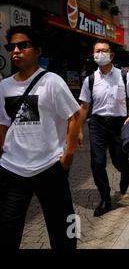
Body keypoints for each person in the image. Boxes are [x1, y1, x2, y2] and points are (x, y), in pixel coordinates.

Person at [0, 25, 80, 249]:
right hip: (12, 169)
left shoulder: (52, 81)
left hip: (49, 166)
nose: (16, 50)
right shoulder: (4, 87)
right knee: (7, 230)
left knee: (65, 226)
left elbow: (75, 116)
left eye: (22, 45)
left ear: (37, 50)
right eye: (11, 46)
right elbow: (3, 124)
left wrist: (68, 156)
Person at [78, 39, 129, 217]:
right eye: (96, 51)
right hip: (97, 124)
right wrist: (79, 130)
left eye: (103, 51)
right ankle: (105, 198)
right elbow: (84, 107)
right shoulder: (90, 80)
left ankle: (126, 170)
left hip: (119, 123)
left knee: (119, 160)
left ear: (111, 54)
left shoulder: (123, 76)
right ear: (93, 54)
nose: (100, 54)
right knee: (97, 163)